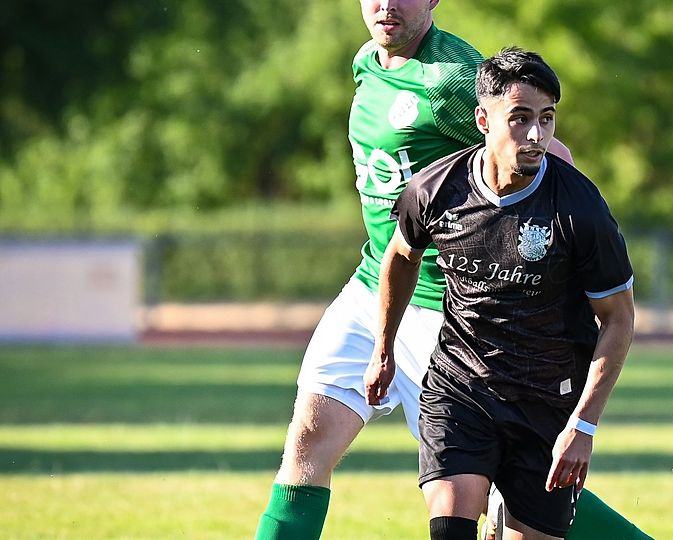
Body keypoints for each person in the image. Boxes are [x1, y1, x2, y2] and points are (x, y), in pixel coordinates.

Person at [255, 1, 651, 538]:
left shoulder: (451, 79)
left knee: (517, 487)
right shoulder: (367, 62)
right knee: (308, 439)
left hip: (453, 311)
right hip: (375, 286)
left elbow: (549, 158)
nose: (386, 4)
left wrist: (543, 258)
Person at [367, 47, 638, 540]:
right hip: (461, 387)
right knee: (449, 527)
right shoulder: (435, 189)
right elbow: (401, 258)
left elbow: (618, 318)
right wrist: (382, 350)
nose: (536, 135)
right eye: (520, 118)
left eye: (547, 118)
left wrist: (584, 425)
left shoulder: (580, 209)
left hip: (548, 401)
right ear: (483, 120)